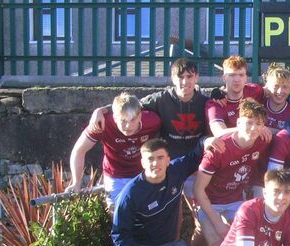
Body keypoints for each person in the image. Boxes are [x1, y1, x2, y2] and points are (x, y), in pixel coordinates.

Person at [87, 58, 209, 200]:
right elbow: (131, 106)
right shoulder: (160, 99)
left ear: (196, 77)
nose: (185, 81)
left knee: (198, 205)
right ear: (172, 78)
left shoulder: (206, 102)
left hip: (196, 165)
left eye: (189, 76)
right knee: (170, 205)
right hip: (169, 165)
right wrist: (101, 110)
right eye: (180, 77)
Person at [193, 100, 271, 246]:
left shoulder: (262, 141)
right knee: (215, 242)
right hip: (210, 202)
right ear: (239, 122)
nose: (253, 128)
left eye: (258, 124)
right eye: (249, 122)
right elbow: (198, 189)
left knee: (248, 240)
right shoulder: (219, 148)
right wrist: (218, 224)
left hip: (235, 200)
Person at [66, 92, 162, 208]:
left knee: (146, 211)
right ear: (115, 118)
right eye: (123, 121)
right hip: (115, 175)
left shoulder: (153, 121)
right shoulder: (102, 123)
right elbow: (79, 150)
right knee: (117, 212)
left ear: (140, 116)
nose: (128, 126)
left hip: (142, 174)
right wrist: (76, 182)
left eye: (132, 120)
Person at [205, 55, 269, 140]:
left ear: (246, 78)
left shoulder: (254, 90)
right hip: (226, 146)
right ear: (224, 78)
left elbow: (274, 91)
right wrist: (256, 129)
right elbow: (219, 133)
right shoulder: (216, 103)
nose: (237, 79)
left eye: (241, 75)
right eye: (232, 75)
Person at [263, 66, 290, 133]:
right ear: (267, 86)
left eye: (285, 87)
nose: (280, 91)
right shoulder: (258, 106)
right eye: (276, 86)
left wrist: (266, 130)